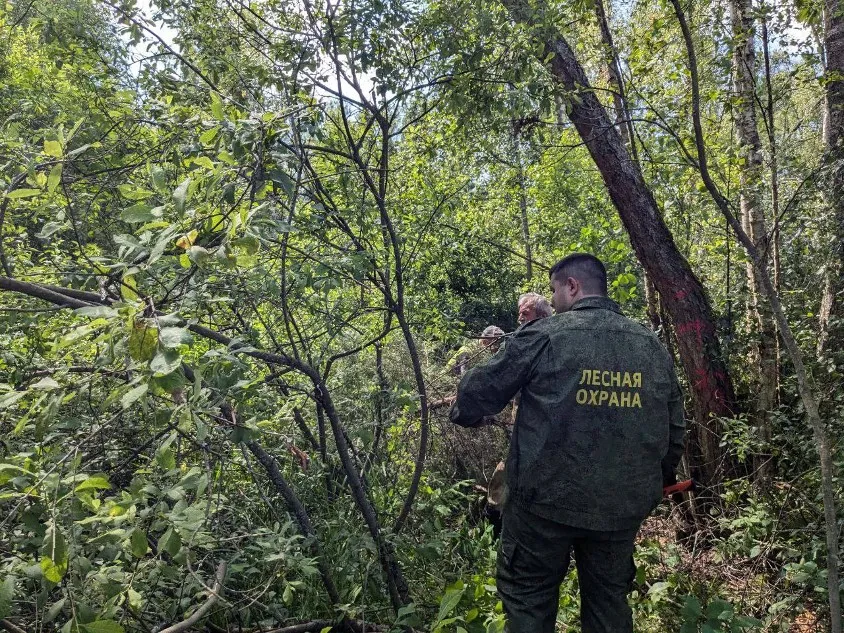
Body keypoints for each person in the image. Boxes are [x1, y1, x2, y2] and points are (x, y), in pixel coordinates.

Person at [449, 253, 685, 633]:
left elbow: (475, 390)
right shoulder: (650, 346)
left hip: (542, 508)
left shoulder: (546, 335)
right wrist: (652, 483)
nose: (554, 301)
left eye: (555, 291)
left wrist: (467, 413)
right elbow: (674, 430)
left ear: (572, 286)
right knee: (608, 604)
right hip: (620, 509)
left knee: (529, 601)